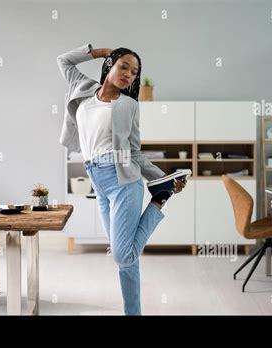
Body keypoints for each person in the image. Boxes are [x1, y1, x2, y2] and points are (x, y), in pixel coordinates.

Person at [57, 43, 191, 315]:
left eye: (134, 72)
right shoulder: (83, 88)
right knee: (126, 260)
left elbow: (134, 152)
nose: (129, 74)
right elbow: (63, 61)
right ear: (110, 65)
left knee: (121, 255)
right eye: (124, 66)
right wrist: (99, 50)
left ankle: (158, 201)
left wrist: (163, 179)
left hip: (123, 182)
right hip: (97, 179)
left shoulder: (129, 105)